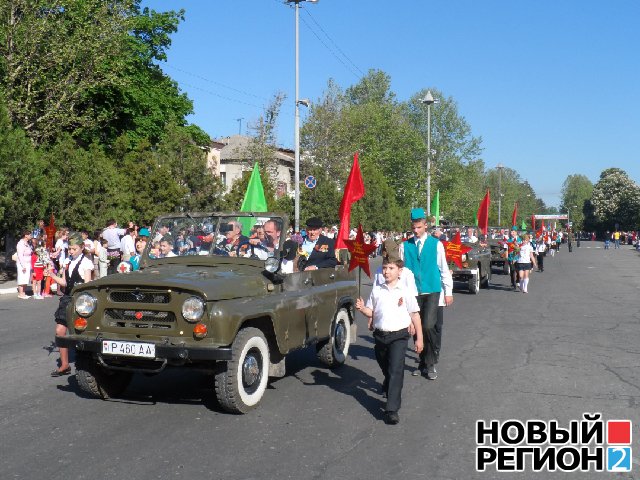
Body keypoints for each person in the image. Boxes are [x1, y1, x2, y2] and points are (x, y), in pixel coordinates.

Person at [355, 256, 423, 425]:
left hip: (399, 335)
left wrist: (419, 339)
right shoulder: (377, 290)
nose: (386, 271)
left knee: (396, 370)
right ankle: (388, 382)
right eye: (384, 268)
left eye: (391, 268)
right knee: (385, 365)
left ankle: (391, 409)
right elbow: (372, 312)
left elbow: (415, 314)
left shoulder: (405, 291)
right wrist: (363, 308)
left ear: (400, 271)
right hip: (380, 335)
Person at [399, 208, 453, 381]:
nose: (416, 231)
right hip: (413, 292)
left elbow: (443, 269)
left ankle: (430, 364)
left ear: (425, 226)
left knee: (429, 326)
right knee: (416, 327)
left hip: (432, 290)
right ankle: (422, 362)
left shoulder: (436, 244)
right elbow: (400, 272)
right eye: (414, 228)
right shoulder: (405, 246)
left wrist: (448, 291)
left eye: (419, 227)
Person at [47, 235, 94, 376]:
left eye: (74, 249)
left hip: (80, 300)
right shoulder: (67, 261)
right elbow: (65, 282)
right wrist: (51, 275)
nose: (71, 251)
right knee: (60, 330)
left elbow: (87, 284)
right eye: (70, 249)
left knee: (81, 331)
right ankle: (65, 365)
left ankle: (89, 363)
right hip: (67, 298)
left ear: (82, 248)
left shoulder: (86, 263)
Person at [16, 230, 33, 299]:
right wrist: (23, 266)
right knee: (22, 278)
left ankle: (23, 293)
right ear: (25, 235)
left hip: (28, 263)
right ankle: (20, 293)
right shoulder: (20, 243)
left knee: (26, 278)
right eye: (29, 235)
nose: (30, 236)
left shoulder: (27, 243)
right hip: (22, 263)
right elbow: (20, 255)